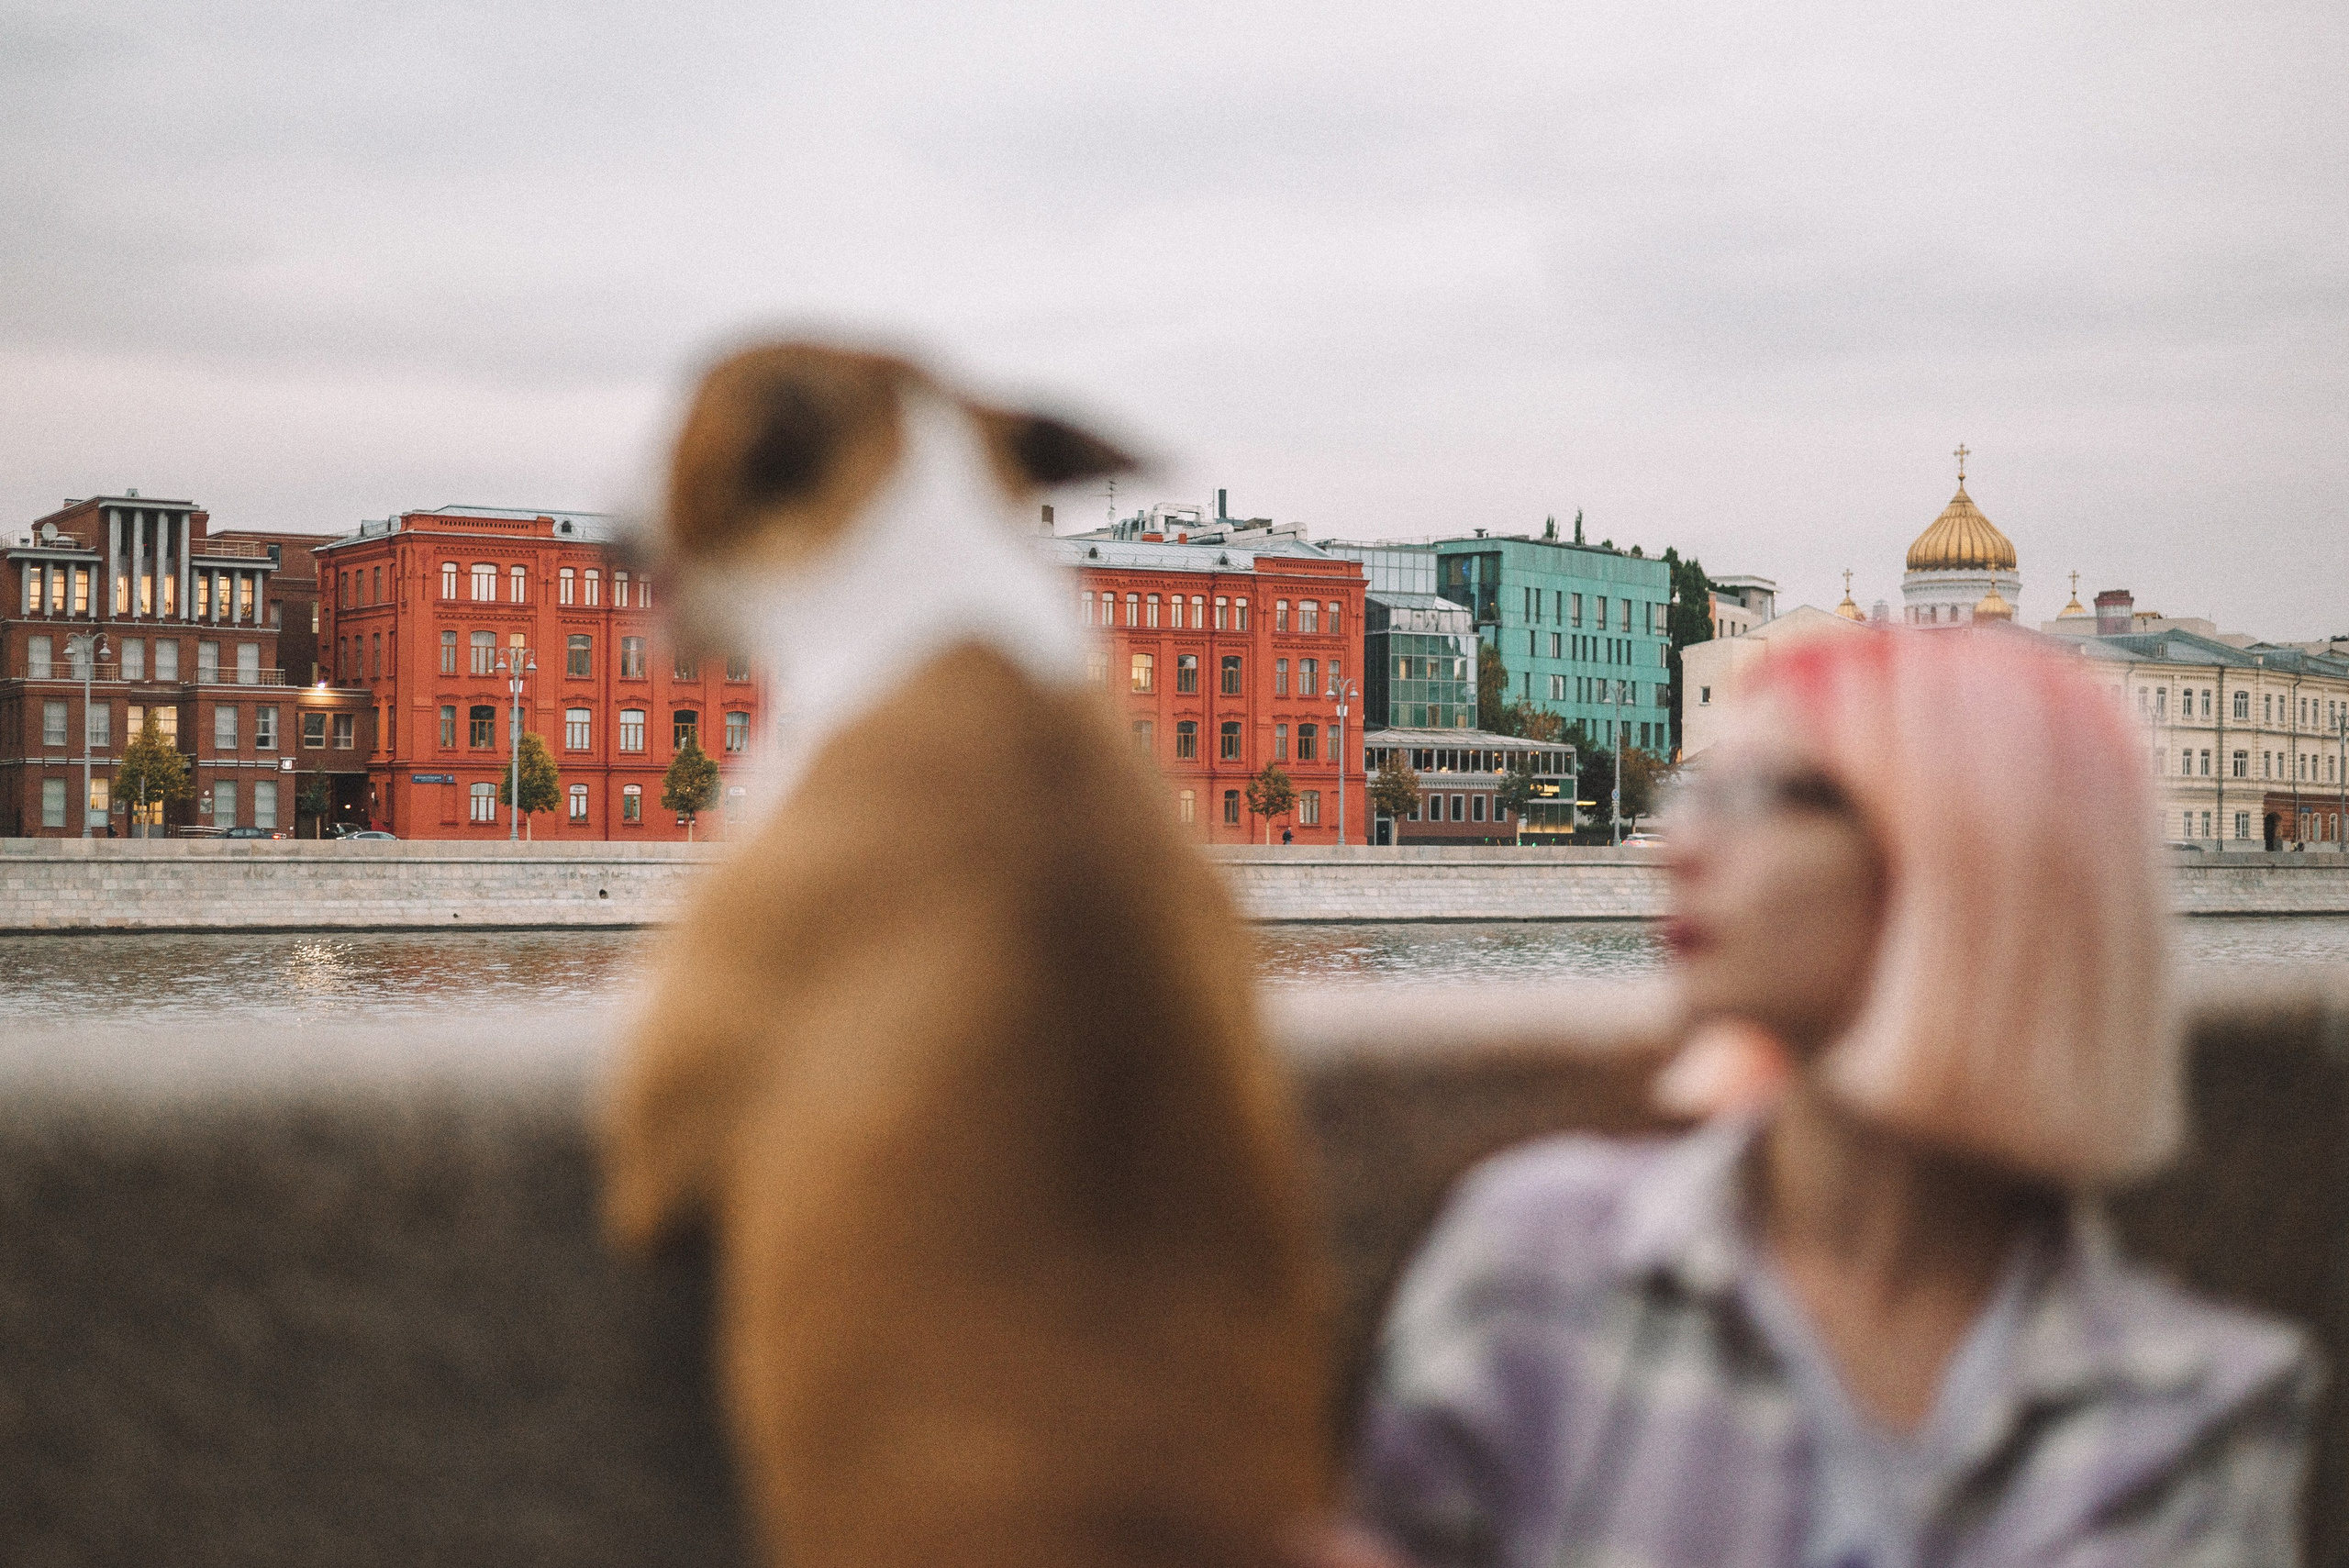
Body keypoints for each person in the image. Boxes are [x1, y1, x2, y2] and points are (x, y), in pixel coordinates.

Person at [1345, 630, 2320, 1568]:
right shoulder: (1528, 1266)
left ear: (1976, 862)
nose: (1671, 848)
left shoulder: (2194, 1419)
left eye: (1767, 794)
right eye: (1699, 793)